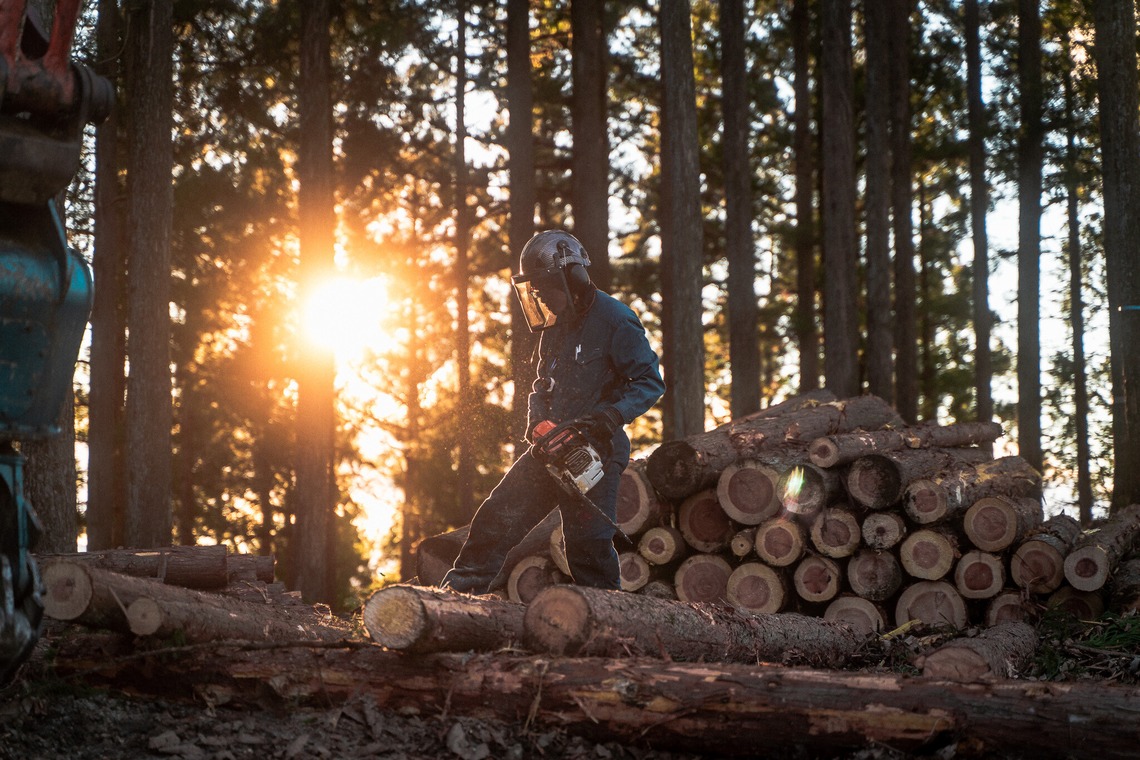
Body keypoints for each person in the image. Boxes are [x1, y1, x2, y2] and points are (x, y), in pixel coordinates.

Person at [441, 230, 665, 593]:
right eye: (535, 289)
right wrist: (537, 422)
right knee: (497, 516)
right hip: (552, 448)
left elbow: (649, 381)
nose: (540, 296)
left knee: (587, 544)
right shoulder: (554, 328)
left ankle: (608, 615)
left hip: (596, 452)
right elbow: (541, 385)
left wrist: (611, 415)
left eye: (544, 287)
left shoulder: (616, 320)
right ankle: (455, 595)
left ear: (571, 276)